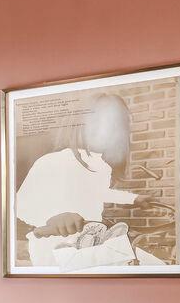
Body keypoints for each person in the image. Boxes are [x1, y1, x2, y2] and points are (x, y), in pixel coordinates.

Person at [14, 94, 153, 239]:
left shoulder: (102, 167)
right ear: (76, 124)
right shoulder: (54, 161)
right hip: (54, 248)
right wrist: (53, 217)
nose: (108, 130)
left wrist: (134, 198)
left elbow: (98, 192)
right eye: (98, 121)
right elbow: (22, 206)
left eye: (117, 124)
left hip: (91, 243)